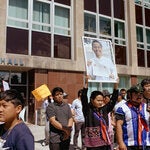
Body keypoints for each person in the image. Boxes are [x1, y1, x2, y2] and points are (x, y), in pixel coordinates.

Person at [81, 76, 119, 150]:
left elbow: (113, 99)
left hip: (105, 142)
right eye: (98, 100)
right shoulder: (88, 110)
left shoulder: (104, 109)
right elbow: (84, 98)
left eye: (102, 100)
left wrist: (116, 85)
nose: (101, 102)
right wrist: (86, 83)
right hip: (93, 145)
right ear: (92, 100)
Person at [115, 86, 150, 150]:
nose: (139, 96)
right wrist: (121, 143)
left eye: (141, 94)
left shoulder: (147, 107)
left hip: (146, 144)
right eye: (136, 94)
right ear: (129, 95)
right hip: (129, 145)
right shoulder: (122, 108)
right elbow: (118, 125)